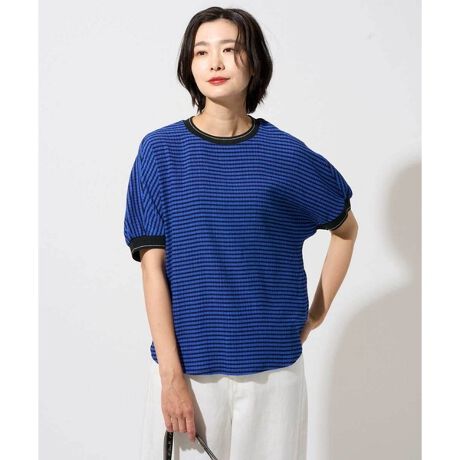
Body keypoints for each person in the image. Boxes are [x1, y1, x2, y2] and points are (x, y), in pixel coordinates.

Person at [123, 6, 359, 460]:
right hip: (188, 374)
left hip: (275, 377)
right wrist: (171, 379)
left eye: (230, 50)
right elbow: (153, 269)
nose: (215, 62)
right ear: (189, 66)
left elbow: (346, 230)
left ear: (255, 62)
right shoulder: (160, 152)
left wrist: (315, 315)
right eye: (201, 52)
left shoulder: (286, 155)